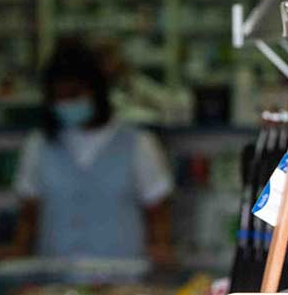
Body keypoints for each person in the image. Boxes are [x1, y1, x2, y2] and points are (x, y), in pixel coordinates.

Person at [9, 42, 174, 264]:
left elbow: (157, 213)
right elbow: (29, 214)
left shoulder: (139, 144)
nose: (66, 103)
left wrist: (161, 257)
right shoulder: (38, 145)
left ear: (97, 90)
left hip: (123, 279)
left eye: (74, 94)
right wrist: (17, 254)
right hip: (55, 278)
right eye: (59, 96)